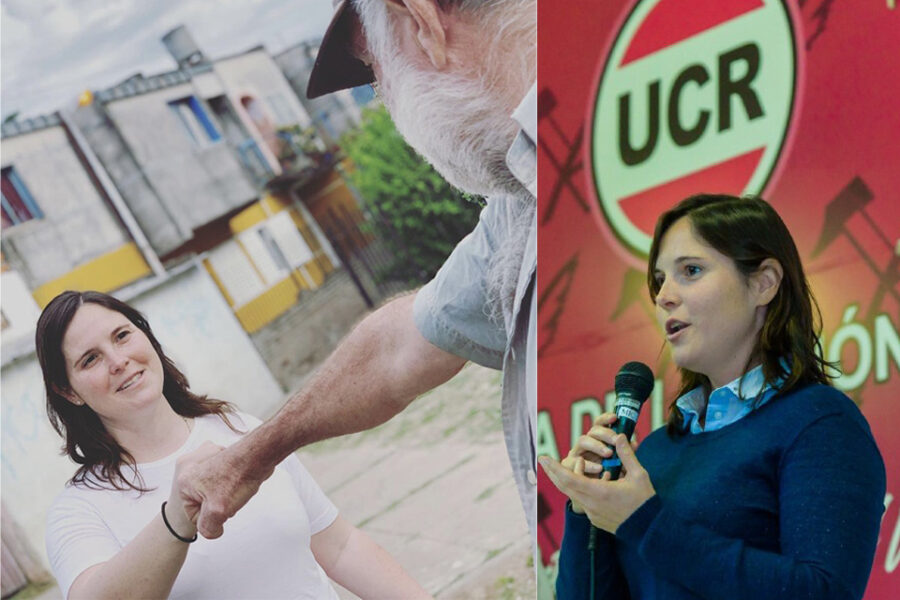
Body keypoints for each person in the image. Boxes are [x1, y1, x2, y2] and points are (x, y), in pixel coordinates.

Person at [183, 0, 539, 543]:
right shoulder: (522, 200)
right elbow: (401, 343)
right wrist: (250, 458)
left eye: (375, 73)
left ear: (421, 21)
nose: (382, 102)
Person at [540, 195, 886, 599]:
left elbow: (824, 592)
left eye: (690, 270)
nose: (664, 296)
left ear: (764, 282)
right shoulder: (653, 453)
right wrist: (588, 510)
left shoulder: (820, 423)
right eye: (659, 281)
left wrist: (644, 522)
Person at [38, 290, 430, 600]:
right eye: (90, 359)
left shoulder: (237, 428)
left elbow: (339, 545)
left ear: (146, 337)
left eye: (122, 336)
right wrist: (177, 514)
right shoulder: (79, 510)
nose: (118, 360)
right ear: (67, 391)